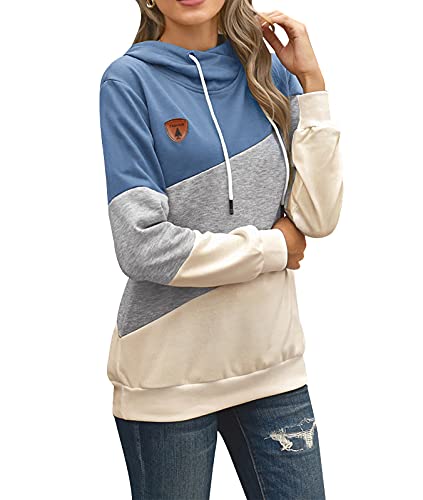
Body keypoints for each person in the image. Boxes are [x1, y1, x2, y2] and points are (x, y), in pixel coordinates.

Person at [98, 0, 343, 498]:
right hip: (169, 377)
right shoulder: (129, 81)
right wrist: (272, 248)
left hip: (270, 362)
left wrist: (312, 84)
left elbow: (317, 217)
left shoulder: (269, 72)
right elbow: (142, 245)